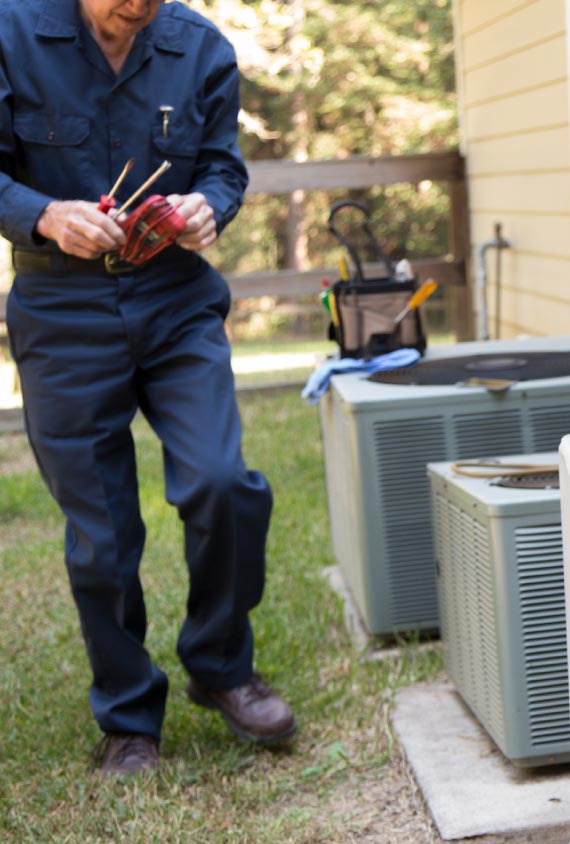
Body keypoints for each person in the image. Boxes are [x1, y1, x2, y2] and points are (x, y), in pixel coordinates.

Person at [0, 0, 294, 775]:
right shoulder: (11, 31)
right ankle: (130, 717)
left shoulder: (201, 49)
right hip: (61, 307)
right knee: (102, 535)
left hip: (174, 300)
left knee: (223, 482)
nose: (139, 4)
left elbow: (224, 165)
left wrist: (211, 204)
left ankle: (220, 664)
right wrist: (45, 214)